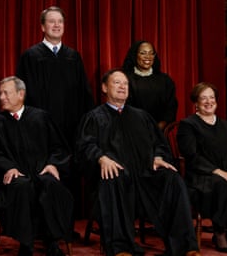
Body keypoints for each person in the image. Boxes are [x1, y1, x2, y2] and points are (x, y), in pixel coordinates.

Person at [75, 69, 200, 256]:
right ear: (104, 87)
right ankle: (121, 248)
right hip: (117, 177)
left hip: (144, 174)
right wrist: (101, 158)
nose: (122, 86)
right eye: (117, 82)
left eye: (125, 83)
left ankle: (184, 247)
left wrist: (158, 157)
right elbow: (84, 146)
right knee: (111, 178)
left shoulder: (141, 116)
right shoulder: (94, 117)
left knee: (172, 179)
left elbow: (160, 143)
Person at [16, 5, 94, 228]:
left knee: (67, 174)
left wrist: (85, 125)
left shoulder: (73, 57)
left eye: (60, 21)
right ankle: (42, 227)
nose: (56, 25)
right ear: (42, 26)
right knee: (42, 174)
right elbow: (22, 95)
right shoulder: (31, 56)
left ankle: (66, 227)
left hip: (70, 127)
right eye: (51, 21)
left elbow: (84, 94)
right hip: (40, 129)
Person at [0, 76, 74, 256]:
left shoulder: (41, 117)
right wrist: (8, 167)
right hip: (11, 177)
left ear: (20, 94)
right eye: (0, 93)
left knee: (51, 185)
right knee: (22, 186)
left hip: (41, 171)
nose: (1, 97)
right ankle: (26, 243)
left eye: (6, 93)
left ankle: (52, 241)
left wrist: (53, 164)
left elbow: (59, 147)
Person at [177, 82, 227, 253]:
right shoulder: (188, 124)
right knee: (222, 186)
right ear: (196, 104)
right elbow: (192, 156)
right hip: (201, 177)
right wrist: (219, 172)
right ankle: (220, 231)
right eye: (203, 98)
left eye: (212, 97)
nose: (208, 101)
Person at [122, 40, 178, 131]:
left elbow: (171, 106)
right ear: (135, 55)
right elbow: (125, 107)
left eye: (151, 53)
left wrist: (160, 126)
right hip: (133, 130)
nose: (148, 57)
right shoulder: (125, 79)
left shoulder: (165, 80)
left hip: (160, 131)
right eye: (143, 53)